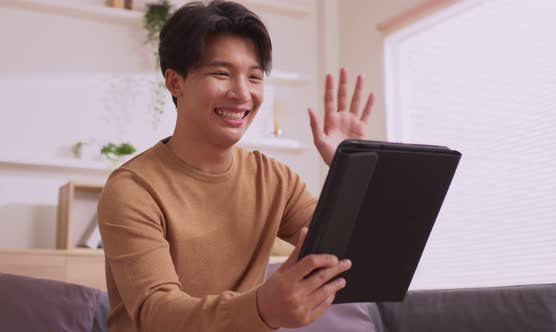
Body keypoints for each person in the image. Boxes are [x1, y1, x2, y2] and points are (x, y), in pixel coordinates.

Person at [97, 1, 374, 331]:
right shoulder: (132, 189)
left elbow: (355, 256)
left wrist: (351, 170)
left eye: (254, 77)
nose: (243, 93)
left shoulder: (276, 180)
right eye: (221, 73)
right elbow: (157, 313)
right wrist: (262, 308)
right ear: (175, 83)